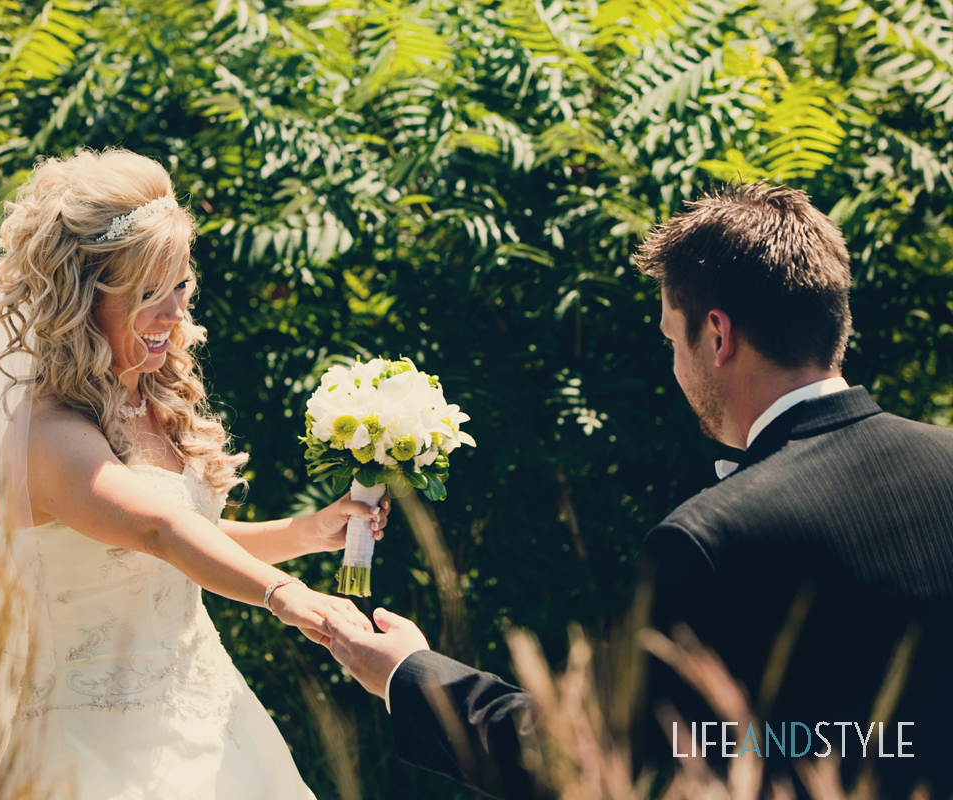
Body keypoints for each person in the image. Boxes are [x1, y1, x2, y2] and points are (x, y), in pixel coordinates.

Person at [321, 184, 953, 798]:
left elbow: (586, 756)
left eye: (671, 337)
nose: (674, 361)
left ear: (718, 336)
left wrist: (409, 673)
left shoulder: (707, 540)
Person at [0, 148, 391, 799]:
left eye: (181, 287)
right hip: (91, 745)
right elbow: (158, 532)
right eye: (147, 295)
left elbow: (189, 538)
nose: (173, 315)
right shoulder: (47, 435)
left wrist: (309, 531)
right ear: (82, 299)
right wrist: (283, 595)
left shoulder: (149, 394)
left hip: (208, 715)